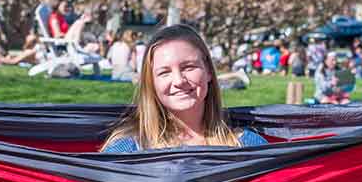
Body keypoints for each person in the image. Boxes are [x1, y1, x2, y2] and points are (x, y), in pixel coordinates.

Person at [99, 24, 268, 152]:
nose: (179, 80)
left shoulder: (248, 146)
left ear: (208, 71)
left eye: (188, 67)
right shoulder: (127, 148)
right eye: (164, 72)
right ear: (151, 82)